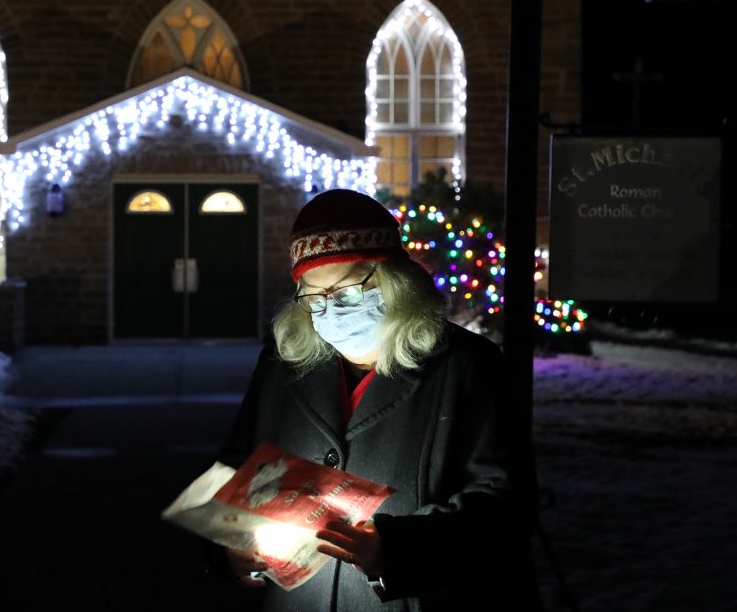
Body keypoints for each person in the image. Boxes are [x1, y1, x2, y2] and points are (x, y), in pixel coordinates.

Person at [210, 188, 539, 611]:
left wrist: (396, 547)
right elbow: (237, 463)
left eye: (347, 292)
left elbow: (504, 505)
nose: (329, 310)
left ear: (394, 283)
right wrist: (230, 545)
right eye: (313, 296)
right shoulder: (284, 363)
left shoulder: (467, 365)